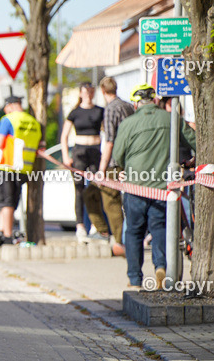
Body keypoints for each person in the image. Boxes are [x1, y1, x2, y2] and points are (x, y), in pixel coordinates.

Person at [114, 83, 196, 288]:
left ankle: (134, 278)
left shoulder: (128, 123)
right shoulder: (171, 119)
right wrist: (191, 161)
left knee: (133, 231)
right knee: (159, 227)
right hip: (162, 188)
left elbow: (117, 157)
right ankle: (161, 266)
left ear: (136, 103)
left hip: (135, 187)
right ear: (156, 100)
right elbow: (195, 141)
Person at [0, 95, 43, 252]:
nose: (5, 110)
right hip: (24, 168)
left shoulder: (8, 119)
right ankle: (1, 233)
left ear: (10, 106)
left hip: (7, 166)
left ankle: (7, 236)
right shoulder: (33, 121)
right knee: (9, 202)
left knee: (5, 202)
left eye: (6, 107)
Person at [61, 82, 109, 243]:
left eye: (90, 91)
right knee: (79, 190)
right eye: (85, 91)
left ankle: (97, 225)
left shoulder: (99, 111)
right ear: (80, 93)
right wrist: (65, 157)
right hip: (79, 152)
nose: (88, 94)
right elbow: (64, 136)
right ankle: (80, 225)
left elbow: (108, 131)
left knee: (97, 188)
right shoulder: (75, 112)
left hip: (95, 150)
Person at [96, 77, 133, 256]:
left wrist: (101, 171)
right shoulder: (127, 106)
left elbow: (109, 141)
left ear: (103, 91)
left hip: (114, 162)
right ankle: (116, 236)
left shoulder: (110, 109)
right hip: (130, 159)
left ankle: (118, 242)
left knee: (111, 202)